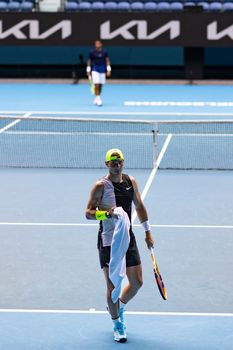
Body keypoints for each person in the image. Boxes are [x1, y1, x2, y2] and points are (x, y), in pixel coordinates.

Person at [85, 148, 154, 343]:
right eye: (113, 162)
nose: (117, 164)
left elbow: (139, 207)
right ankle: (117, 323)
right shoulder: (100, 186)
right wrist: (106, 214)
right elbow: (88, 213)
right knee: (113, 285)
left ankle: (119, 306)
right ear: (107, 164)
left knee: (137, 282)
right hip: (109, 241)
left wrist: (148, 232)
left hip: (128, 237)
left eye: (119, 161)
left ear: (123, 162)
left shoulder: (131, 182)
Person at [86, 39, 111, 107]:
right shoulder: (92, 52)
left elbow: (107, 61)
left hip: (102, 70)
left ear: (101, 44)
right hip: (95, 69)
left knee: (100, 85)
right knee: (96, 85)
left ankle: (96, 97)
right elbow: (89, 61)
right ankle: (98, 99)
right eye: (95, 43)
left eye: (98, 43)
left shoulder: (105, 52)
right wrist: (88, 70)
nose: (97, 45)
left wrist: (109, 70)